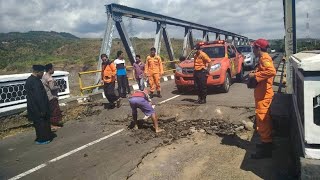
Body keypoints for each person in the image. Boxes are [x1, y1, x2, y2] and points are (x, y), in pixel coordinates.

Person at [249, 38, 276, 159]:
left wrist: (255, 75)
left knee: (263, 120)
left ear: (258, 48)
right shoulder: (262, 58)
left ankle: (266, 149)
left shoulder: (264, 58)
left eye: (254, 48)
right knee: (264, 120)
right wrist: (257, 72)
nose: (253, 50)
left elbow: (271, 71)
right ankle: (266, 143)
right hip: (261, 95)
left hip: (264, 96)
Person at [25, 65, 55, 144]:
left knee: (38, 124)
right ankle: (43, 139)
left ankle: (41, 138)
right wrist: (43, 109)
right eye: (42, 73)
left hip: (33, 107)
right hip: (39, 108)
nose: (43, 75)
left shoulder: (29, 80)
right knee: (42, 124)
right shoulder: (35, 82)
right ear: (38, 72)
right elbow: (39, 97)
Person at [42, 63, 63, 131]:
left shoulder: (44, 76)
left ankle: (52, 124)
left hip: (47, 96)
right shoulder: (49, 78)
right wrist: (58, 87)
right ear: (50, 69)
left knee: (51, 111)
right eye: (53, 68)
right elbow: (52, 88)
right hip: (52, 97)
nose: (54, 70)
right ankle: (53, 125)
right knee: (54, 111)